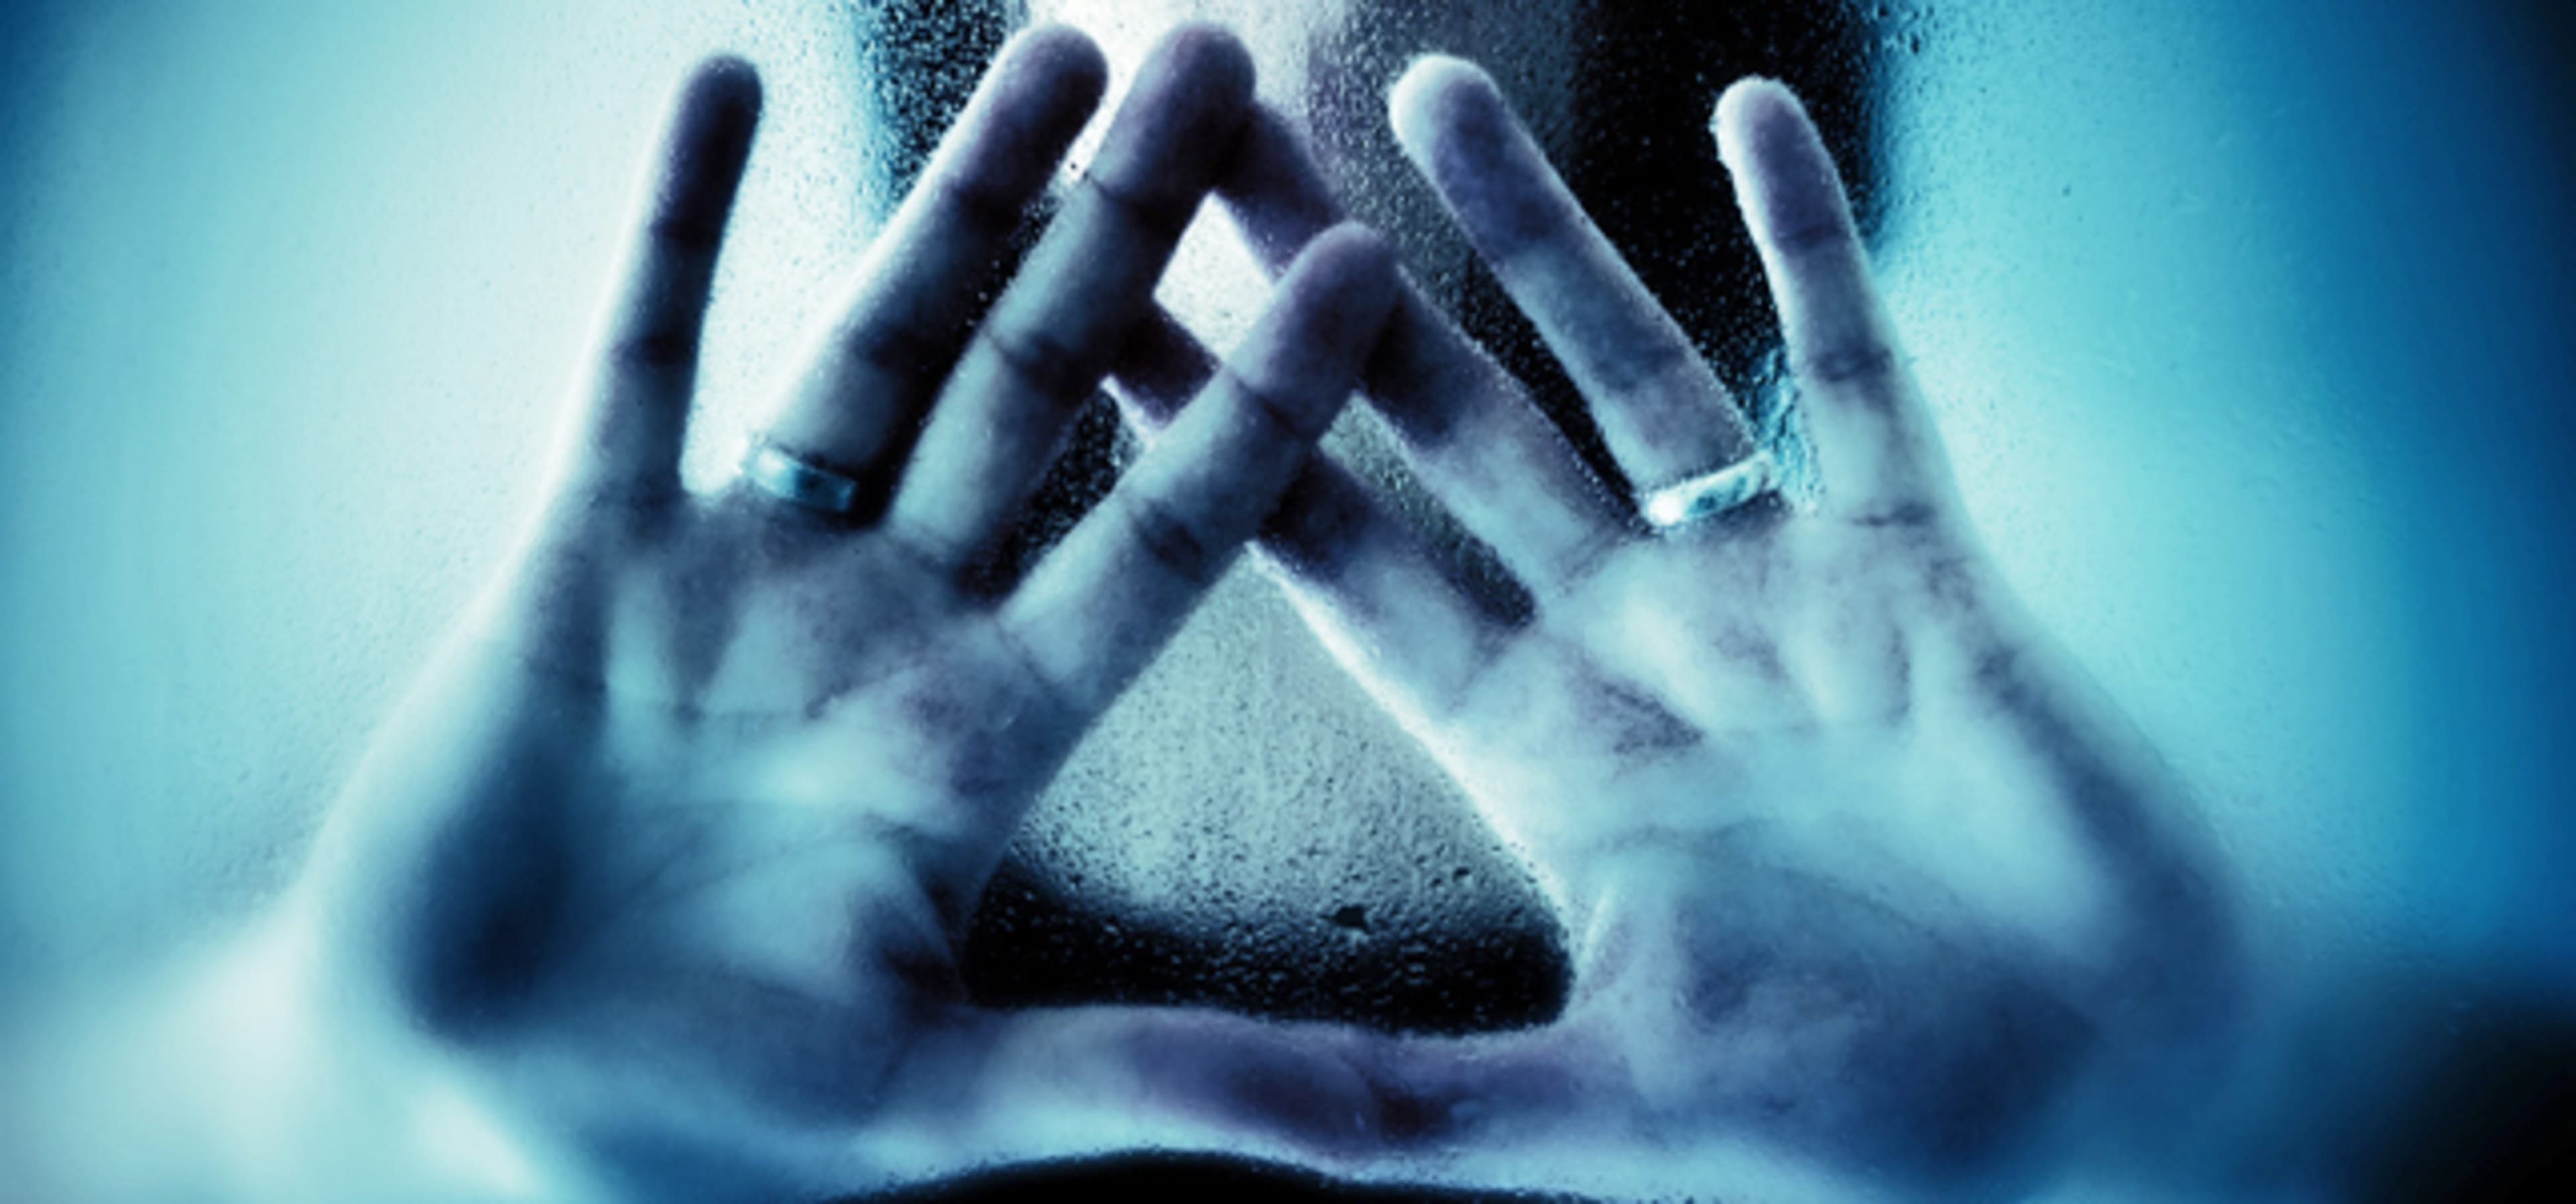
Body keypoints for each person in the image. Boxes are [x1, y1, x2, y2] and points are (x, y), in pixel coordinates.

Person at [13, 15, 2255, 1204]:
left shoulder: (1979, 882)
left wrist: (2161, 1120)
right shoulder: (558, 764)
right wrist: (351, 1105)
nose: (1291, 40)